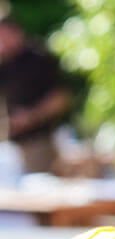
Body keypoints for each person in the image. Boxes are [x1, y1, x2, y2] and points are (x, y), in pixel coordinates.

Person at [0, 15, 70, 173]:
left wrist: (31, 116)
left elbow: (61, 98)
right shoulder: (4, 64)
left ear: (16, 32)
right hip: (8, 146)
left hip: (38, 142)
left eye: (4, 34)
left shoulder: (38, 58)